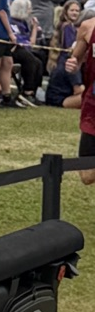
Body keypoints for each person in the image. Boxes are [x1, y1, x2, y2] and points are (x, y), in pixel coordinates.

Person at [64, 14, 95, 186]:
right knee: (87, 175)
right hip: (93, 106)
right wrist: (73, 65)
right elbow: (76, 59)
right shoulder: (88, 27)